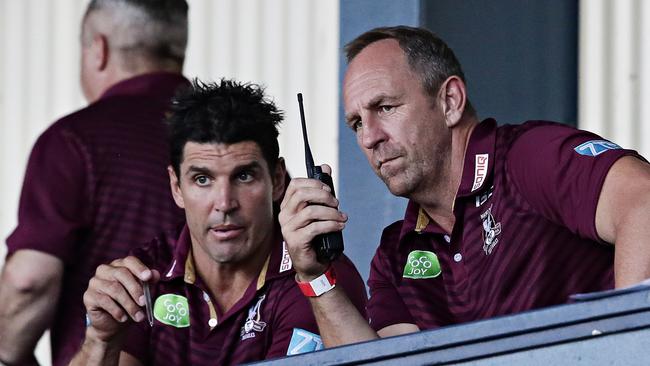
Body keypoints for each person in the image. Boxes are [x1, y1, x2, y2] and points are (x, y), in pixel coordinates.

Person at [279, 25, 650, 347]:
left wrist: (626, 345)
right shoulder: (396, 254)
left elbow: (643, 201)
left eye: (386, 107)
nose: (370, 137)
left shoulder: (525, 158)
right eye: (357, 123)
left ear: (450, 101)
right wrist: (316, 277)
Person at [69, 79, 367, 366]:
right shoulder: (147, 274)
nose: (224, 204)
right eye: (202, 179)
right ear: (176, 187)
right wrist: (101, 339)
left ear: (277, 180)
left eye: (243, 176)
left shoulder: (319, 277)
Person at [0, 1, 189, 365]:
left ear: (98, 49)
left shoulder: (75, 140)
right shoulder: (234, 143)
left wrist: (8, 354)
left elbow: (28, 282)